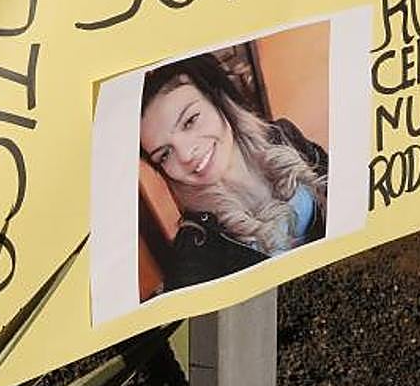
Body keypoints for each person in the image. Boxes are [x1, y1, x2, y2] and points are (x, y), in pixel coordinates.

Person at [139, 52, 328, 290]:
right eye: (165, 154)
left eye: (190, 121)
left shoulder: (283, 135)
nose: (186, 155)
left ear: (217, 99)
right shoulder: (196, 252)